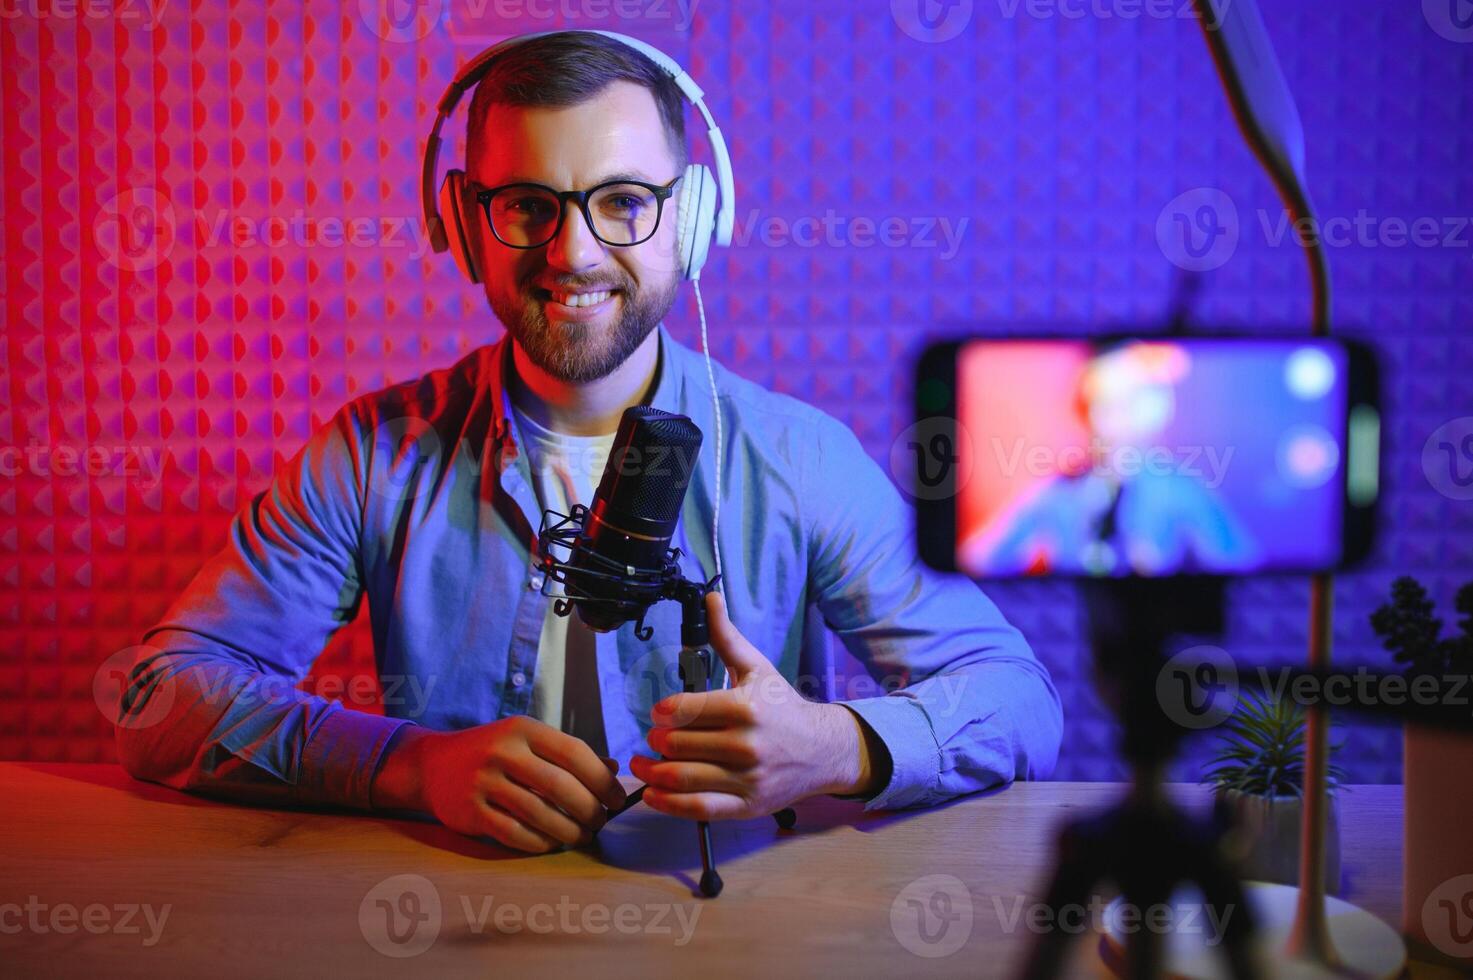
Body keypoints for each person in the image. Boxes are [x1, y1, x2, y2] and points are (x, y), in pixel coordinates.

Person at [115, 31, 1062, 855]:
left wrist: (832, 746)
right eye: (527, 203)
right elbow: (160, 699)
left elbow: (1017, 699)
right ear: (461, 221)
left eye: (620, 202)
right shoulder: (374, 452)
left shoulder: (797, 457)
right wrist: (406, 768)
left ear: (689, 219)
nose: (571, 253)